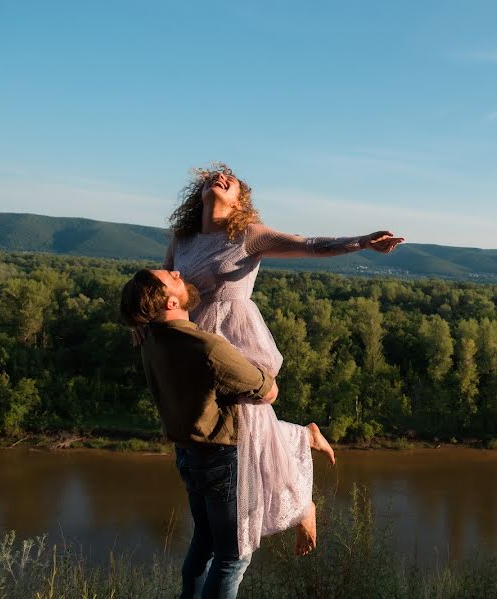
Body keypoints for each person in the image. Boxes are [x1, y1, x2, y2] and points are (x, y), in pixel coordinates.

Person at [163, 163, 403, 559]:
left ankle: (293, 507)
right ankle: (301, 439)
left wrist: (361, 242)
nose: (221, 179)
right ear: (200, 191)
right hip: (193, 340)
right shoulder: (183, 237)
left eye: (231, 180)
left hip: (235, 337)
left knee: (247, 422)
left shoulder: (249, 235)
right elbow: (163, 285)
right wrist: (141, 321)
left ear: (240, 199)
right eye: (214, 176)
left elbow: (309, 244)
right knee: (222, 428)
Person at [120, 268, 283, 598]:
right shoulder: (206, 347)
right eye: (171, 276)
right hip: (220, 459)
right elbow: (266, 391)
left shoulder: (150, 338)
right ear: (170, 302)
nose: (178, 271)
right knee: (233, 557)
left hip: (187, 454)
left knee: (205, 541)